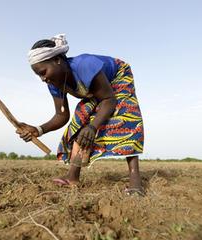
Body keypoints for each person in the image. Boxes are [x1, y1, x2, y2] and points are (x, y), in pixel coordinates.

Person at [16, 34, 145, 195]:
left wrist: (93, 126)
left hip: (118, 76)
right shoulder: (55, 83)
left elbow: (108, 100)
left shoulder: (84, 65)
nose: (43, 79)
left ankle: (135, 181)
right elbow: (61, 116)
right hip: (96, 90)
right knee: (80, 120)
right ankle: (72, 177)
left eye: (43, 72)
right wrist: (38, 130)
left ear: (57, 60)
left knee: (124, 115)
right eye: (39, 75)